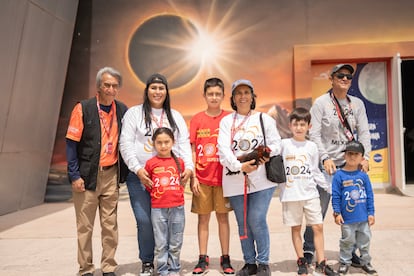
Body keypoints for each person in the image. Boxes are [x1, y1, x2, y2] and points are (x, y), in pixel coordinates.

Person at [119, 73, 193, 276]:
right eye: (153, 88)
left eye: (161, 88)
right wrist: (137, 169)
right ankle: (147, 261)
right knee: (144, 220)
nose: (157, 92)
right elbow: (125, 143)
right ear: (147, 91)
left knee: (169, 222)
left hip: (168, 176)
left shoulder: (175, 116)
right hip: (140, 176)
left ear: (167, 92)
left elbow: (184, 143)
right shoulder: (134, 113)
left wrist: (188, 168)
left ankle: (170, 263)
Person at [304, 64, 372, 266]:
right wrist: (324, 157)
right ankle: (308, 249)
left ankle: (350, 252)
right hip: (327, 167)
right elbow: (314, 134)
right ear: (331, 79)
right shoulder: (321, 103)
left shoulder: (357, 104)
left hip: (350, 167)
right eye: (340, 75)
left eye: (348, 77)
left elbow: (365, 132)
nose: (345, 79)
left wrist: (365, 157)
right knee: (318, 210)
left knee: (352, 211)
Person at [65, 66, 128, 276]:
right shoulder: (83, 108)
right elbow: (71, 145)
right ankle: (86, 269)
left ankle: (109, 267)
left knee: (110, 226)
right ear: (98, 86)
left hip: (111, 175)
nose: (110, 89)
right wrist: (74, 175)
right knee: (85, 227)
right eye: (107, 85)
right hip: (87, 176)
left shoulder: (121, 110)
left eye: (114, 86)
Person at [217, 79, 281, 276]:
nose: (243, 96)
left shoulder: (264, 119)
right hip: (235, 179)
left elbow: (277, 144)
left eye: (247, 92)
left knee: (256, 218)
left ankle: (263, 263)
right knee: (243, 222)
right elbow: (223, 150)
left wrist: (264, 155)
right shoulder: (227, 121)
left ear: (253, 97)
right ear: (233, 98)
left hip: (262, 180)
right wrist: (240, 166)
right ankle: (249, 263)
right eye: (238, 93)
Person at [279, 107, 338, 276]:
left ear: (309, 126)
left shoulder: (312, 146)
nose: (299, 127)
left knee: (318, 227)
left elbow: (314, 170)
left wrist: (328, 187)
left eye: (302, 124)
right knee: (296, 228)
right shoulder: (284, 145)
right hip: (291, 195)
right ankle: (301, 261)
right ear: (290, 125)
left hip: (311, 193)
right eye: (295, 124)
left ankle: (322, 263)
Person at [189, 78, 234, 275]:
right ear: (204, 95)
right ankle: (202, 257)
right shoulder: (197, 119)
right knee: (203, 220)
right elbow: (192, 149)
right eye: (210, 94)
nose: (214, 97)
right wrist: (194, 177)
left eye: (218, 94)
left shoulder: (230, 118)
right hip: (203, 179)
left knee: (223, 219)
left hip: (225, 179)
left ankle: (225, 257)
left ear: (223, 96)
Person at [144, 127, 186, 276]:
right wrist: (159, 194)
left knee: (175, 241)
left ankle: (174, 269)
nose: (163, 146)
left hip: (177, 208)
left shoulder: (179, 162)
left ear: (173, 142)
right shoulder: (150, 163)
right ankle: (162, 270)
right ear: (154, 143)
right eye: (159, 142)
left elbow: (182, 183)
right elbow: (148, 184)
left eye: (167, 142)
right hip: (158, 208)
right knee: (161, 243)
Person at [331, 141, 377, 275]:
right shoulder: (339, 175)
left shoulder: (363, 175)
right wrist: (337, 212)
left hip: (363, 218)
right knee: (347, 241)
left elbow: (369, 195)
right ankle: (345, 262)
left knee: (365, 241)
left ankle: (365, 262)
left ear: (362, 157)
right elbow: (336, 196)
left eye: (356, 154)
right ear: (344, 155)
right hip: (347, 219)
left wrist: (371, 213)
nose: (352, 157)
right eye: (349, 153)